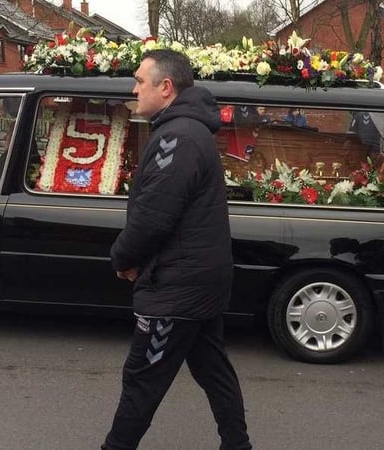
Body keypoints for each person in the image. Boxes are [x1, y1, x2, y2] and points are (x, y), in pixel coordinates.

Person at [102, 49, 251, 450]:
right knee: (212, 369)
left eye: (140, 81)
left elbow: (153, 216)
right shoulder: (186, 130)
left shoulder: (177, 137)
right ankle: (237, 445)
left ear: (165, 87)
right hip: (198, 282)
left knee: (142, 379)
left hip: (176, 287)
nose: (134, 89)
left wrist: (122, 258)